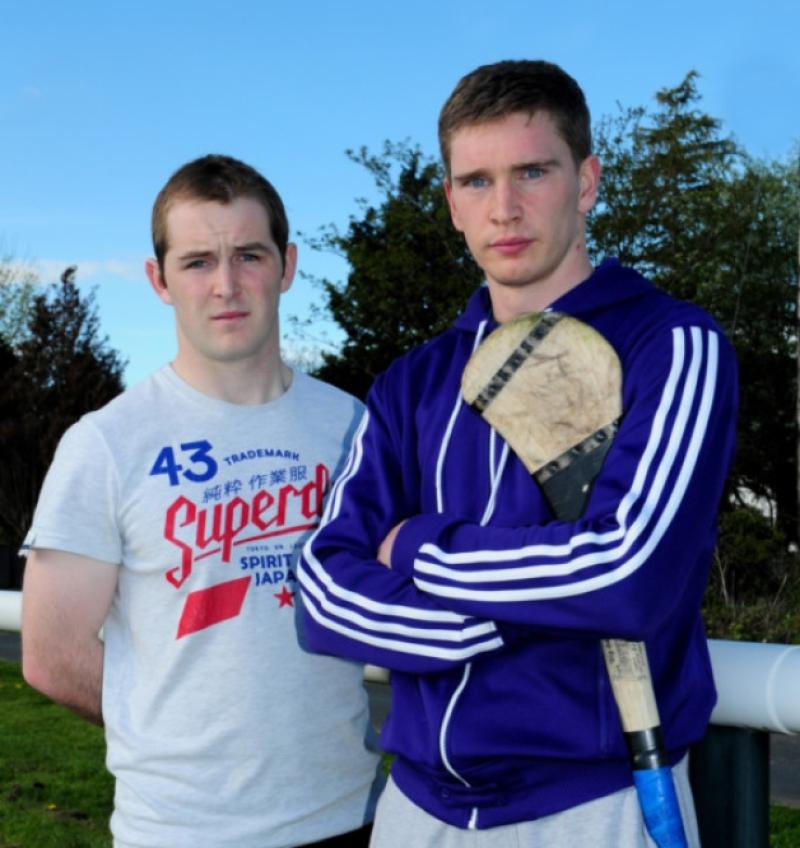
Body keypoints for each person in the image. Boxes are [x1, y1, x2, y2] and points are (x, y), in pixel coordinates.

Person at [298, 60, 738, 847]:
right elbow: (321, 587)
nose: (504, 208)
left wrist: (419, 551)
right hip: (414, 811)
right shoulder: (411, 383)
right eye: (476, 181)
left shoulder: (672, 343)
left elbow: (629, 575)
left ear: (587, 180)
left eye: (533, 170)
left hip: (596, 804)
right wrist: (487, 625)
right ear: (451, 204)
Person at [21, 154, 382, 848]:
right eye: (197, 262)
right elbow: (50, 654)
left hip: (348, 813)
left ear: (287, 264)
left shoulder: (352, 427)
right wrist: (170, 731)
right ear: (158, 280)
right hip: (183, 831)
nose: (226, 285)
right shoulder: (107, 444)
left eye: (249, 255)